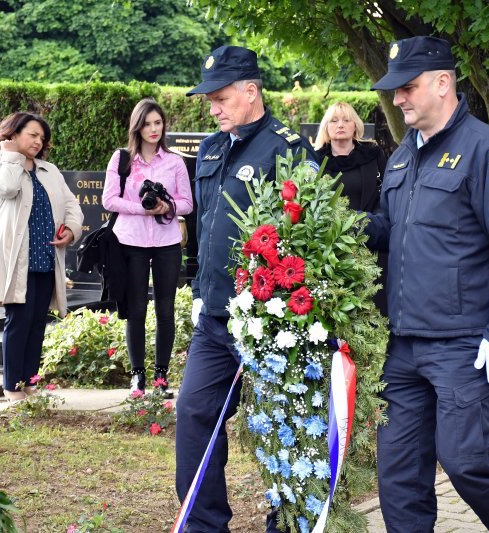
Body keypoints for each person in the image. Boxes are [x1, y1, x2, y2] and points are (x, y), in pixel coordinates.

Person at [365, 36, 489, 533]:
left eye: (407, 88)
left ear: (443, 83)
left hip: (463, 344)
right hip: (404, 343)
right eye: (395, 91)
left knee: (466, 460)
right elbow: (389, 230)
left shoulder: (488, 151)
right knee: (399, 473)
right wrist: (339, 227)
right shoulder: (405, 154)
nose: (399, 99)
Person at [177, 45, 318, 531]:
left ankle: (291, 521)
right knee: (194, 412)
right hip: (215, 317)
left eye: (220, 98)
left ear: (251, 91)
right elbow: (206, 224)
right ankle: (203, 523)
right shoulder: (213, 148)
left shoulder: (288, 147)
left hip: (268, 317)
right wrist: (198, 287)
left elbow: (305, 233)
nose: (212, 108)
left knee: (284, 424)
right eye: (208, 100)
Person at [0, 112, 83, 401]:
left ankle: (30, 383)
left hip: (46, 257)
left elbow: (72, 206)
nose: (38, 141)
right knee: (19, 322)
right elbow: (6, 188)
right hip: (16, 259)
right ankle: (12, 387)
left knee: (38, 323)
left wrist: (71, 231)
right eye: (32, 135)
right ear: (13, 133)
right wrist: (11, 156)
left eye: (42, 137)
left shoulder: (49, 171)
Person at [101, 97, 192, 398]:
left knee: (165, 309)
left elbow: (188, 204)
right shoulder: (122, 159)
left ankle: (161, 377)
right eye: (147, 123)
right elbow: (109, 200)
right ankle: (137, 377)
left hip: (166, 242)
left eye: (158, 123)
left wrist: (167, 205)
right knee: (137, 309)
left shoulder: (175, 161)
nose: (153, 129)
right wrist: (142, 209)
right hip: (131, 242)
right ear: (136, 127)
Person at [314, 101, 388, 315]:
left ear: (355, 125)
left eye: (346, 120)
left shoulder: (373, 154)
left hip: (371, 241)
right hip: (333, 247)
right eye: (334, 120)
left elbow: (387, 194)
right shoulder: (317, 160)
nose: (341, 125)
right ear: (326, 127)